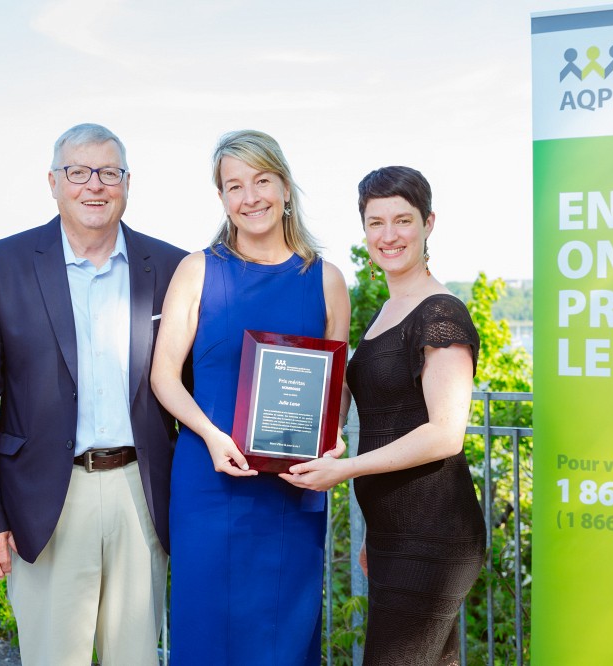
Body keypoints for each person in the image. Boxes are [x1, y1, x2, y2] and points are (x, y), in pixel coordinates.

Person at [0, 123, 187, 666]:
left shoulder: (171, 267)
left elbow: (200, 383)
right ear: (53, 183)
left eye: (108, 172)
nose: (94, 185)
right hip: (45, 501)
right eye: (78, 172)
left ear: (127, 183)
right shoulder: (2, 264)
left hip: (142, 495)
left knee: (137, 659)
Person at [150, 129, 350, 665]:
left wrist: (330, 438)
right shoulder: (197, 270)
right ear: (221, 199)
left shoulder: (327, 280)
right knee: (207, 633)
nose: (250, 196)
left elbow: (338, 386)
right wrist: (213, 438)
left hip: (291, 487)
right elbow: (164, 376)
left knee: (282, 638)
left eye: (262, 180)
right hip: (210, 481)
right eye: (234, 185)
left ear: (285, 187)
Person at [282, 166, 486, 666]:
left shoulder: (441, 313)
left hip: (433, 537)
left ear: (428, 223)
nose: (389, 235)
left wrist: (344, 469)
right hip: (395, 534)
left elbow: (444, 435)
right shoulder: (388, 310)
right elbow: (380, 410)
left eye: (403, 220)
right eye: (376, 222)